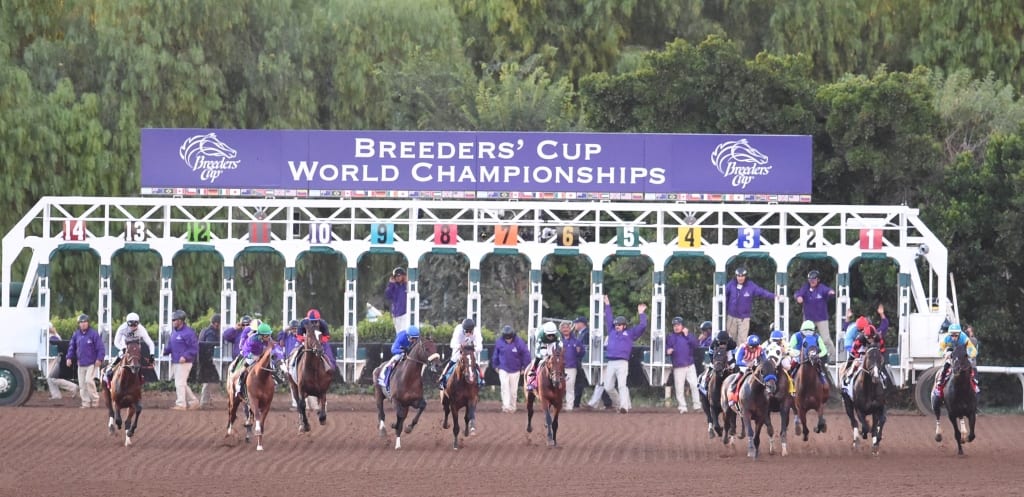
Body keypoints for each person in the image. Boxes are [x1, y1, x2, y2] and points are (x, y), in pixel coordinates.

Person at [586, 296, 648, 414]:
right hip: (611, 362)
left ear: (624, 325)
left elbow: (642, 326)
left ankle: (624, 407)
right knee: (608, 386)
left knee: (622, 385)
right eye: (616, 325)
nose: (617, 326)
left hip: (622, 362)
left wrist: (641, 313)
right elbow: (608, 319)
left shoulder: (629, 333)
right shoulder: (611, 331)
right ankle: (619, 404)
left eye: (619, 325)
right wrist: (607, 305)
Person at [725, 267, 777, 345]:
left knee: (742, 341)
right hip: (732, 317)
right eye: (738, 276)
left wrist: (774, 296)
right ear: (736, 276)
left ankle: (740, 356)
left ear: (745, 276)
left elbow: (762, 292)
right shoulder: (731, 284)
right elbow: (723, 294)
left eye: (742, 276)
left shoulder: (750, 286)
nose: (740, 278)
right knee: (730, 339)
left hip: (744, 318)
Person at [793, 270, 837, 362]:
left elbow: (829, 291)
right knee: (803, 337)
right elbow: (798, 293)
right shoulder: (806, 288)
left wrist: (831, 292)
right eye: (810, 279)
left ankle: (833, 358)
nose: (812, 281)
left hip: (821, 318)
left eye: (814, 279)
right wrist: (798, 297)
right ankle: (800, 357)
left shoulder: (821, 288)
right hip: (808, 320)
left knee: (826, 339)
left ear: (818, 280)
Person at [104, 312, 156, 387]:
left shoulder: (141, 329)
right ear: (127, 323)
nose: (133, 327)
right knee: (121, 354)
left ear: (138, 323)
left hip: (136, 346)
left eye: (135, 325)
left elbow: (150, 343)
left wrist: (152, 355)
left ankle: (143, 377)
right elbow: (116, 342)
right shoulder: (122, 328)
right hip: (125, 344)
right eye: (131, 325)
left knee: (139, 357)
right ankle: (111, 368)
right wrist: (123, 348)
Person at [235, 323, 285, 398]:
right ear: (260, 335)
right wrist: (253, 356)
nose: (269, 337)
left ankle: (277, 380)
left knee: (272, 363)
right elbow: (245, 351)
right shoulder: (252, 340)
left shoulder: (268, 338)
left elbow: (274, 347)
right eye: (267, 335)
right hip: (250, 354)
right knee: (245, 368)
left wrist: (279, 355)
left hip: (261, 354)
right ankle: (239, 387)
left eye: (269, 335)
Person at [163, 309, 199, 410]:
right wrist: (165, 352)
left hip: (185, 362)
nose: (173, 321)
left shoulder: (188, 333)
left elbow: (194, 348)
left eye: (175, 320)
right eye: (173, 320)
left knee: (179, 383)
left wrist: (186, 356)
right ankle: (193, 401)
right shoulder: (174, 333)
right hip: (175, 361)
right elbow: (170, 346)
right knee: (182, 383)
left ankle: (181, 404)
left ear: (181, 321)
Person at [65, 314, 104, 408]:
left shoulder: (93, 334)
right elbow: (72, 347)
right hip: (81, 363)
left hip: (91, 363)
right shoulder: (76, 334)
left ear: (88, 323)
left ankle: (95, 399)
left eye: (85, 322)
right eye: (81, 322)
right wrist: (69, 357)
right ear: (79, 324)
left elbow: (100, 347)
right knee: (82, 384)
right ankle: (85, 403)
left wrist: (99, 359)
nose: (83, 324)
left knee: (88, 381)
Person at [571, 316, 609, 409]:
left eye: (576, 323)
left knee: (594, 381)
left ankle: (577, 403)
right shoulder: (580, 333)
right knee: (598, 381)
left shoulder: (586, 333)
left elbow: (586, 347)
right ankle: (606, 402)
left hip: (586, 360)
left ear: (582, 323)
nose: (575, 325)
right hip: (584, 361)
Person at [491, 325, 530, 413]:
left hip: (516, 369)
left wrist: (525, 367)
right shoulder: (499, 342)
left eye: (510, 338)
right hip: (503, 368)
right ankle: (506, 406)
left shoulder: (519, 343)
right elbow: (495, 355)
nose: (508, 340)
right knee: (505, 387)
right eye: (506, 338)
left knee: (513, 390)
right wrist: (495, 366)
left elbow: (526, 355)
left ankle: (513, 406)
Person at [934, 323, 979, 398]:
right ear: (949, 334)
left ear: (960, 334)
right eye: (952, 335)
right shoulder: (946, 338)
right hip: (952, 352)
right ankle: (939, 386)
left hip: (962, 352)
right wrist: (945, 354)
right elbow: (940, 350)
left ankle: (974, 384)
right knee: (946, 365)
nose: (954, 337)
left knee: (969, 365)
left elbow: (973, 351)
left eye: (956, 335)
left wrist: (969, 355)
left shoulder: (964, 338)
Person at [666, 316, 700, 414]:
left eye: (678, 325)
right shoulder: (670, 337)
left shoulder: (688, 335)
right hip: (678, 366)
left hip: (689, 365)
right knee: (679, 388)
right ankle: (682, 407)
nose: (676, 327)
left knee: (694, 385)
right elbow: (667, 348)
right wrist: (667, 350)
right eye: (674, 325)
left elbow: (695, 345)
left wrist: (687, 335)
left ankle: (697, 405)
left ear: (682, 326)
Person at [841, 324, 888, 395]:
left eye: (872, 337)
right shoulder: (860, 338)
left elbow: (883, 349)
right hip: (861, 352)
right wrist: (859, 357)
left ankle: (883, 378)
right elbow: (854, 351)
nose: (870, 339)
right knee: (856, 363)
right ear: (865, 336)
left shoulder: (878, 337)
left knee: (879, 364)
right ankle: (849, 376)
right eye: (868, 338)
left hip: (874, 353)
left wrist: (880, 357)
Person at [439, 318, 483, 389]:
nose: (468, 333)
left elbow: (480, 347)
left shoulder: (477, 331)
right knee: (451, 363)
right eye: (466, 331)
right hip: (459, 352)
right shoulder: (458, 329)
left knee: (476, 365)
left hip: (470, 352)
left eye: (470, 331)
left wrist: (473, 348)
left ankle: (480, 380)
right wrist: (460, 346)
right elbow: (452, 344)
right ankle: (443, 379)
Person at [378, 325, 421, 396]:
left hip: (411, 354)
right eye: (413, 338)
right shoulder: (401, 337)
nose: (415, 341)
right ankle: (387, 383)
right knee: (392, 362)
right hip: (400, 353)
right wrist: (402, 351)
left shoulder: (416, 339)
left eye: (416, 338)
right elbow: (393, 349)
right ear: (408, 336)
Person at [728, 335, 766, 408]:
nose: (754, 349)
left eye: (756, 347)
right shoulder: (743, 348)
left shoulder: (761, 349)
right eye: (752, 347)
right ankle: (733, 393)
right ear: (748, 345)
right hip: (743, 363)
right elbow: (738, 361)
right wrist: (747, 364)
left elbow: (764, 360)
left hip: (754, 362)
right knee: (742, 375)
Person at [789, 320, 829, 387]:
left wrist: (817, 355)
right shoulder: (796, 336)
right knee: (791, 366)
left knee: (821, 368)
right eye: (805, 331)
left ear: (813, 331)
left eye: (810, 331)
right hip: (799, 358)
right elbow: (789, 348)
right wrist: (797, 353)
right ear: (801, 330)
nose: (808, 333)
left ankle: (824, 383)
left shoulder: (817, 337)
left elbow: (824, 350)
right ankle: (790, 380)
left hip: (813, 358)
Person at [46, 323, 78, 401]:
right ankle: (56, 395)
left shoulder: (53, 337)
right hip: (56, 359)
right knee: (50, 378)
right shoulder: (54, 336)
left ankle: (73, 387)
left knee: (52, 378)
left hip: (56, 359)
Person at [526, 322, 562, 391]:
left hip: (552, 343)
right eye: (549, 335)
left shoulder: (558, 335)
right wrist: (543, 357)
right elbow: (537, 351)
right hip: (542, 342)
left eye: (552, 335)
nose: (551, 337)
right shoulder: (540, 335)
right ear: (545, 333)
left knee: (556, 358)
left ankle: (561, 375)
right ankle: (532, 377)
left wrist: (556, 355)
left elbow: (560, 347)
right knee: (541, 355)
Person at [197, 314, 223, 408]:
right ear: (216, 324)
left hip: (204, 359)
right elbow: (210, 346)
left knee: (208, 381)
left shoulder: (205, 330)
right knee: (207, 381)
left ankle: (207, 401)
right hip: (208, 360)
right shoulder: (211, 333)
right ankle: (204, 402)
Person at [559, 321, 585, 411]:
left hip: (571, 367)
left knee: (570, 387)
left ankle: (569, 406)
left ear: (570, 329)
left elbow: (582, 353)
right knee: (558, 387)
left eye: (567, 327)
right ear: (560, 330)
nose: (565, 329)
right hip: (559, 368)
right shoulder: (558, 341)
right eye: (563, 328)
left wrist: (579, 351)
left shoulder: (576, 341)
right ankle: (558, 405)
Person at [385, 267, 409, 335]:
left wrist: (407, 282)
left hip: (405, 313)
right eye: (396, 276)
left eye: (400, 275)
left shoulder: (406, 286)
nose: (398, 277)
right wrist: (391, 284)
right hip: (396, 314)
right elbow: (388, 295)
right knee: (398, 333)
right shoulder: (393, 286)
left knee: (404, 332)